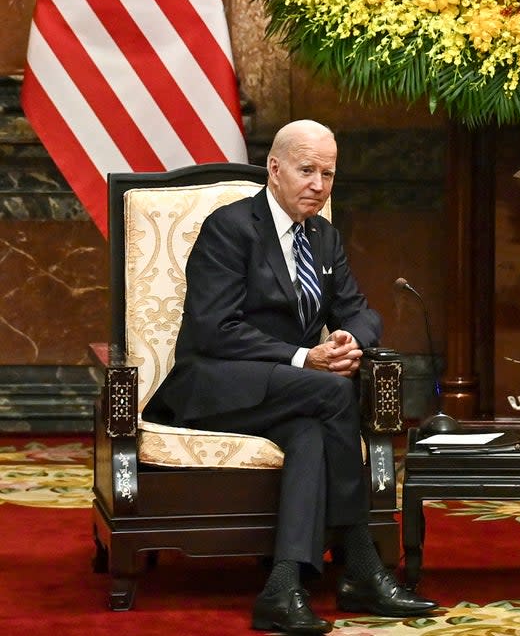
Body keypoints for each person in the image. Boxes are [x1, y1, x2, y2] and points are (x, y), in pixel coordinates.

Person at [143, 120, 436, 635]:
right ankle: (361, 563)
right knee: (332, 390)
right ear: (274, 169)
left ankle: (282, 588)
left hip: (289, 394)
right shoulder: (231, 227)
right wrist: (305, 357)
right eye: (307, 170)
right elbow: (216, 329)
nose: (318, 185)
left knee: (309, 433)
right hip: (214, 382)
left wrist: (352, 340)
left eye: (328, 174)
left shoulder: (323, 237)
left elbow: (361, 311)